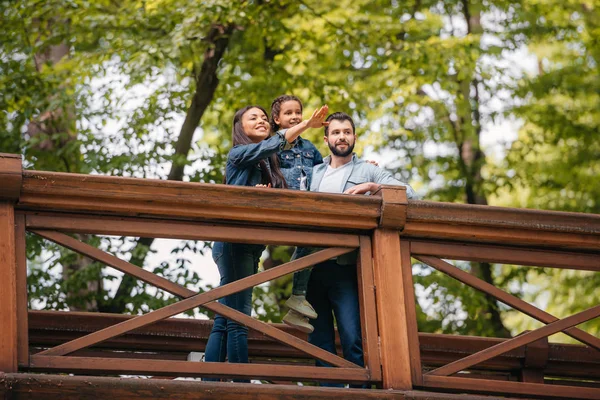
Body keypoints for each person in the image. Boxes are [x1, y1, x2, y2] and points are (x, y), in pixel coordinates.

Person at [204, 104, 328, 382]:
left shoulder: (267, 164)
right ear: (240, 127)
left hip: (250, 246)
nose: (261, 121)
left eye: (263, 118)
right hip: (233, 243)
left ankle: (209, 380)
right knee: (240, 319)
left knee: (225, 318)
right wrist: (306, 124)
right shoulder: (239, 153)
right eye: (253, 118)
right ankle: (241, 384)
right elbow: (275, 143)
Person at [305, 111, 417, 387]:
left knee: (353, 336)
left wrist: (373, 186)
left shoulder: (367, 169)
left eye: (346, 132)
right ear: (326, 138)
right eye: (336, 132)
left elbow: (410, 194)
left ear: (354, 137)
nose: (341, 136)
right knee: (319, 340)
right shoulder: (314, 173)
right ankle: (330, 393)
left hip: (346, 266)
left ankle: (359, 392)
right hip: (310, 267)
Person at [270, 95, 323, 333]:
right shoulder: (274, 143)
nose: (294, 117)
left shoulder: (310, 148)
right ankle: (297, 297)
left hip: (308, 207)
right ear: (277, 119)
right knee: (309, 241)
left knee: (311, 245)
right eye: (288, 113)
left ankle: (296, 303)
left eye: (297, 112)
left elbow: (326, 170)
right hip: (284, 205)